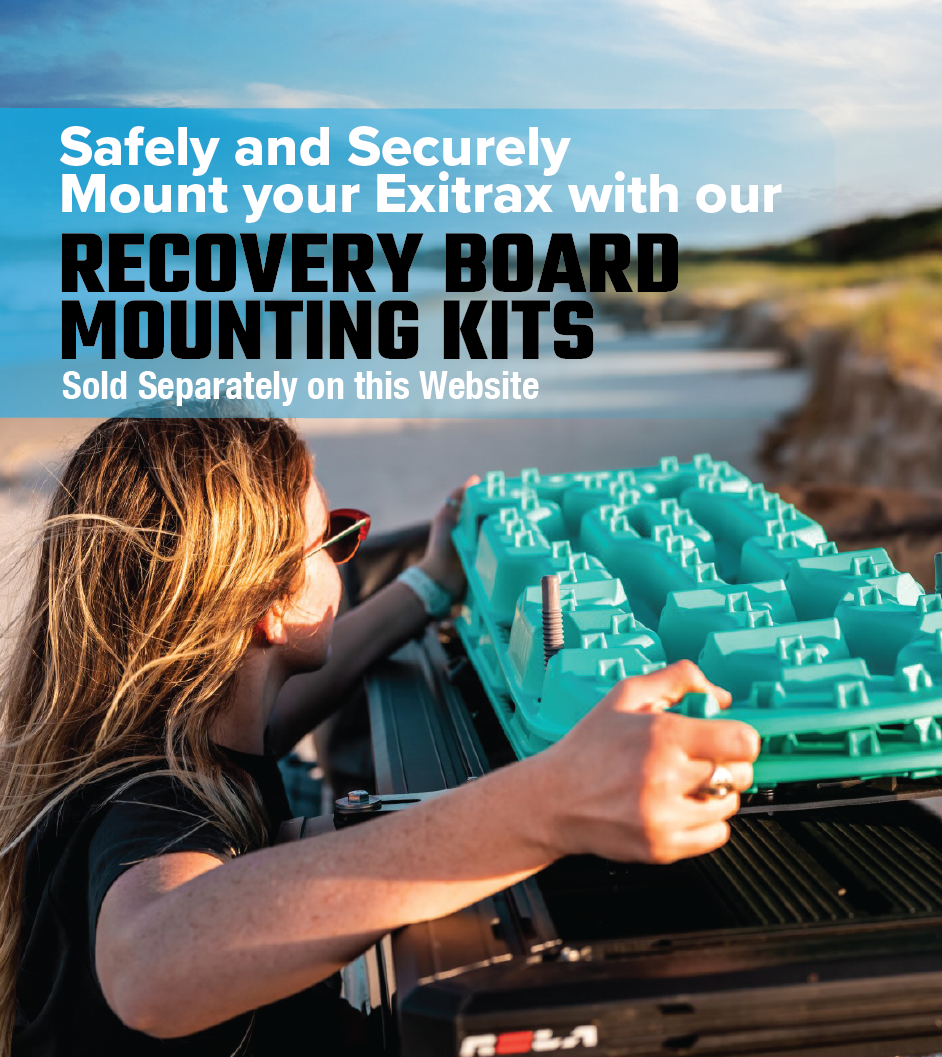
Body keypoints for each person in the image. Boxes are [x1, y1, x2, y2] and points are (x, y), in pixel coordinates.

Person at [0, 412, 760, 1056]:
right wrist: (545, 806)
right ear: (268, 605)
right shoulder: (153, 794)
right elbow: (150, 963)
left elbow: (281, 710)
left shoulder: (176, 725)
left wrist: (427, 584)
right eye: (333, 537)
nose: (345, 547)